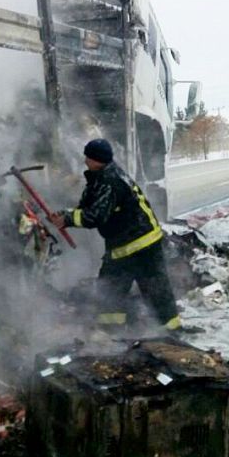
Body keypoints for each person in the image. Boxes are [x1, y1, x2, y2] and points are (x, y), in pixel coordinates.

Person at [51, 138, 182, 332]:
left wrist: (68, 220)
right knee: (111, 288)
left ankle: (172, 332)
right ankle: (113, 334)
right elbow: (90, 207)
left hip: (140, 244)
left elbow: (96, 216)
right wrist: (67, 214)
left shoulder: (109, 182)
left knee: (152, 288)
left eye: (88, 156)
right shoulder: (103, 176)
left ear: (97, 159)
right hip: (126, 243)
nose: (85, 160)